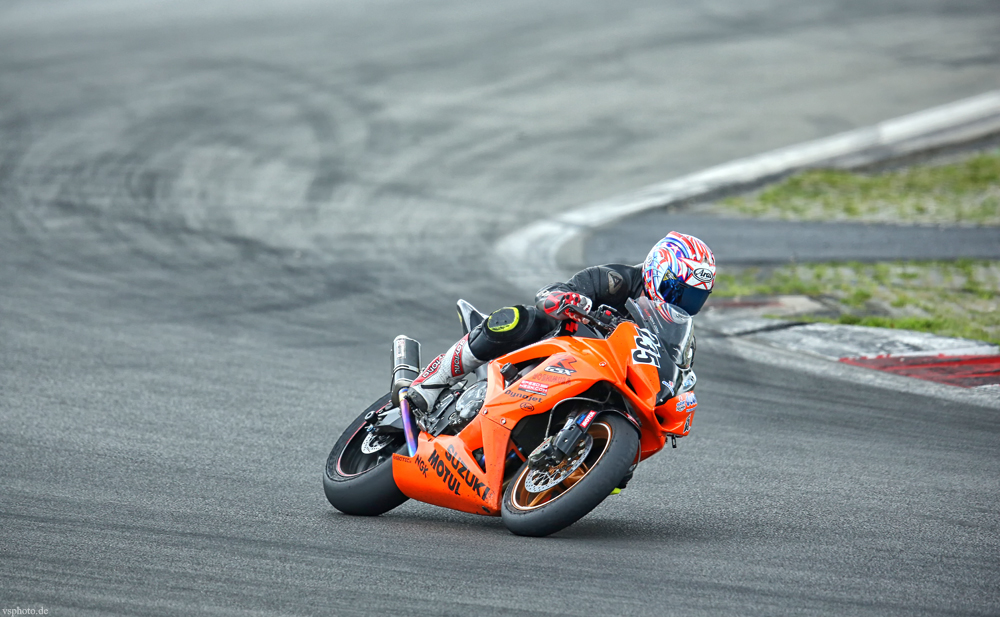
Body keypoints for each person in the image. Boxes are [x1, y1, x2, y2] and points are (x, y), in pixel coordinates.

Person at [404, 231, 716, 414]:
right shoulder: (615, 280)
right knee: (520, 318)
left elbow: (677, 372)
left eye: (692, 299)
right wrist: (567, 300)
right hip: (559, 347)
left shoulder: (678, 331)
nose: (681, 303)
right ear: (656, 270)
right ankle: (433, 381)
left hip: (606, 377)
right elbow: (554, 293)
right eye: (677, 290)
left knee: (624, 465)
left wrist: (680, 392)